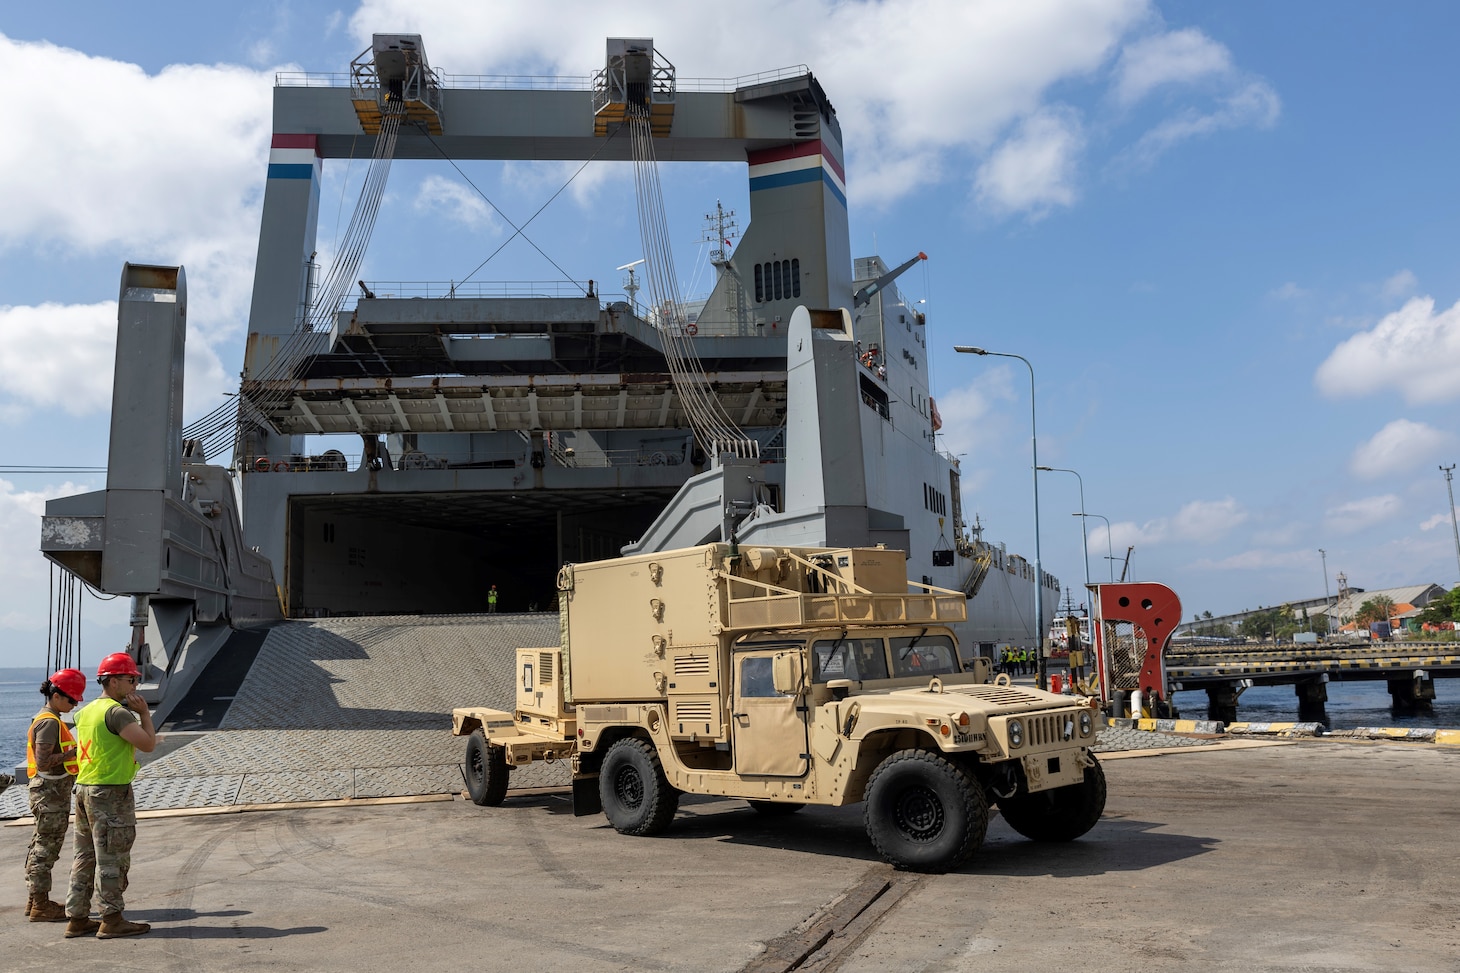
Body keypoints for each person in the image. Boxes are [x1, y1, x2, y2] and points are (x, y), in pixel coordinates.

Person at [65, 652, 157, 939]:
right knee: (112, 857)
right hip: (110, 792)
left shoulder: (85, 711)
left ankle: (77, 917)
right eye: (130, 680)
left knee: (84, 855)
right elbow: (148, 744)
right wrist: (143, 713)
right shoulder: (117, 713)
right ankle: (112, 918)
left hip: (83, 788)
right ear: (114, 681)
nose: (134, 687)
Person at [24, 668, 85, 922]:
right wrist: (73, 754)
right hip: (50, 794)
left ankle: (34, 900)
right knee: (45, 848)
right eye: (71, 699)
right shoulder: (49, 722)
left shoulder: (46, 718)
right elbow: (44, 761)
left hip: (47, 792)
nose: (73, 704)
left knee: (40, 844)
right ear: (56, 695)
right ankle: (40, 905)